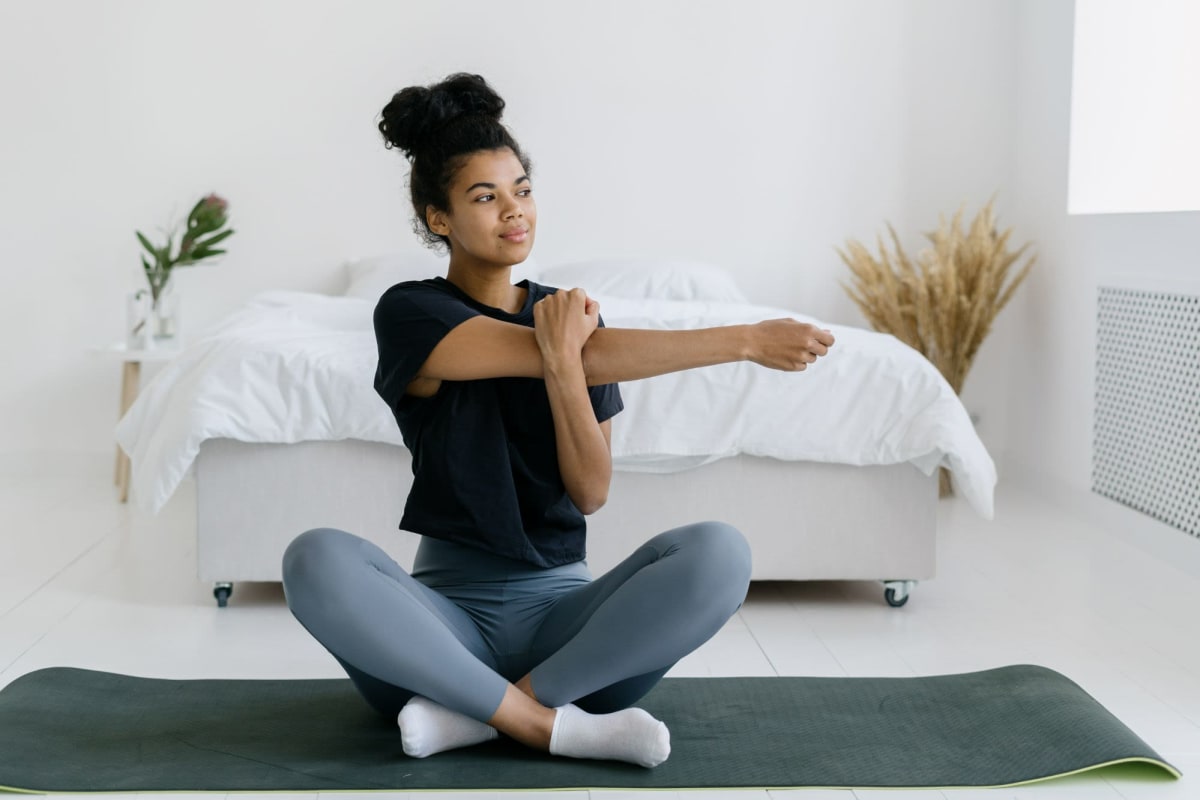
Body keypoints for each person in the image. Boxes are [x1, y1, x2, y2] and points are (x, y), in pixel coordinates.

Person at [280, 72, 835, 769]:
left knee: (721, 552)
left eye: (523, 190)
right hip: (441, 632)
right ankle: (547, 727)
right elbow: (533, 351)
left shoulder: (572, 318)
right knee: (313, 557)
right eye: (485, 197)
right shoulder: (410, 310)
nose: (514, 211)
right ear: (438, 219)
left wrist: (573, 361)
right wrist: (745, 339)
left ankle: (484, 715)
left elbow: (591, 492)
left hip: (571, 639)